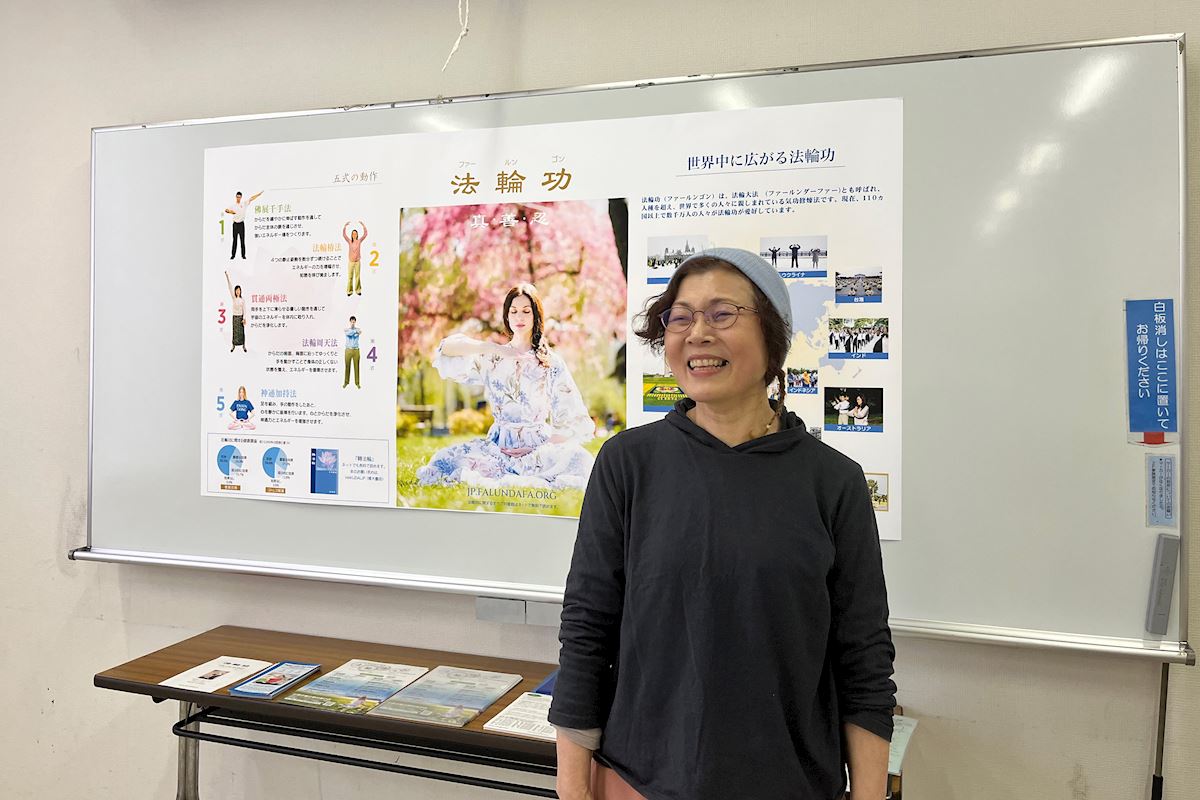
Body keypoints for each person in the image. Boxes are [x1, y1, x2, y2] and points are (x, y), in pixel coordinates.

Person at [550, 248, 895, 800]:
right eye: (680, 317)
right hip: (639, 782)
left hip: (793, 786)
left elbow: (864, 656)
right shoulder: (628, 464)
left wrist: (870, 793)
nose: (697, 334)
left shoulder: (834, 482)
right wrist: (573, 788)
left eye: (722, 314)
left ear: (774, 339)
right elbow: (588, 629)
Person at [415, 284, 595, 490]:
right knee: (444, 460)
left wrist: (542, 449)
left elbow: (569, 415)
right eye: (514, 311)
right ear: (507, 316)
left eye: (526, 311)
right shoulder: (493, 358)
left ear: (536, 316)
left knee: (580, 460)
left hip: (538, 445)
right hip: (498, 446)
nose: (519, 317)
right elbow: (446, 349)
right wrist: (492, 348)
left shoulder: (550, 362)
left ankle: (531, 465)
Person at [224, 190, 263, 259]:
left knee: (242, 240)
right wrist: (230, 212)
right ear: (236, 197)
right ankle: (233, 255)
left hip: (241, 224)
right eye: (237, 197)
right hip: (235, 225)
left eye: (239, 197)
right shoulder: (233, 205)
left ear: (241, 197)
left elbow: (251, 198)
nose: (238, 198)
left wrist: (258, 194)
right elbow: (226, 210)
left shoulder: (244, 203)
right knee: (234, 240)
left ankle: (243, 255)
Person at [342, 220, 367, 296]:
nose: (354, 235)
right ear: (352, 235)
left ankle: (358, 290)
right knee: (350, 277)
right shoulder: (349, 241)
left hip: (357, 262)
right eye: (353, 233)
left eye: (355, 233)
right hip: (351, 262)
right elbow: (344, 235)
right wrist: (345, 226)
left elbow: (365, 234)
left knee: (357, 277)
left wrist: (363, 225)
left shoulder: (359, 241)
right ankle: (349, 291)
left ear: (357, 235)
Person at [225, 271, 247, 353]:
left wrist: (244, 318)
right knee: (234, 332)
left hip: (240, 317)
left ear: (240, 291)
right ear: (235, 291)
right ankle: (233, 345)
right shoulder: (234, 298)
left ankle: (244, 345)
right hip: (235, 317)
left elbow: (245, 310)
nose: (238, 291)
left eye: (239, 290)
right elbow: (230, 287)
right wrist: (227, 276)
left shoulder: (242, 300)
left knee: (242, 333)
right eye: (236, 290)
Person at [343, 316, 361, 388]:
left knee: (357, 367)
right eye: (351, 322)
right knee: (347, 366)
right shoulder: (347, 329)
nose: (352, 323)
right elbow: (348, 334)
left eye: (354, 322)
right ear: (350, 322)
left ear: (355, 322)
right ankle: (346, 382)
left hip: (356, 350)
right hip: (348, 350)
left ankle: (357, 383)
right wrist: (355, 332)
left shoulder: (358, 329)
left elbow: (356, 334)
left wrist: (356, 332)